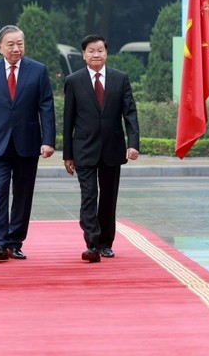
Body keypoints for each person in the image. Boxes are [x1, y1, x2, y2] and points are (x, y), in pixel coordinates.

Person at [0, 25, 55, 261]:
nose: (16, 48)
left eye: (20, 43)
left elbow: (46, 107)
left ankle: (15, 241)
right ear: (0, 48)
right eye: (11, 44)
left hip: (27, 143)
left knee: (23, 193)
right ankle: (0, 243)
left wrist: (48, 141)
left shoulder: (38, 71)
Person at [63, 34, 139, 263]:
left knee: (108, 198)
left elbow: (130, 113)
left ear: (106, 53)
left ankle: (106, 243)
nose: (96, 55)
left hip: (112, 148)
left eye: (100, 51)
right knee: (89, 196)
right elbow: (68, 120)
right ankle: (92, 244)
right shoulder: (74, 80)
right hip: (84, 148)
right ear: (84, 55)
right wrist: (68, 154)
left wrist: (133, 144)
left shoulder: (120, 78)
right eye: (91, 51)